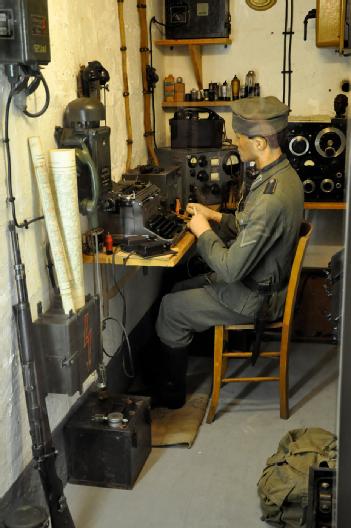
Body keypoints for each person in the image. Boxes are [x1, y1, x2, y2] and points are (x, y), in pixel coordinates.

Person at [154, 96, 304, 409]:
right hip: (259, 281)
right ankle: (194, 356)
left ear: (260, 142)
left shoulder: (271, 198)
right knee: (180, 286)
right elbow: (249, 225)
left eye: (240, 137)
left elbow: (230, 270)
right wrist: (213, 216)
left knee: (170, 307)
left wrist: (201, 231)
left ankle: (169, 398)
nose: (235, 144)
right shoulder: (280, 176)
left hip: (254, 297)